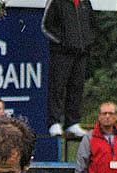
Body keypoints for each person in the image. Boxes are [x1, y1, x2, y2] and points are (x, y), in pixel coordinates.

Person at [41, 0, 91, 137]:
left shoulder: (85, 2)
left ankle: (72, 123)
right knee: (57, 87)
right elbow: (46, 26)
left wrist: (88, 42)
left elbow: (91, 23)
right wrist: (63, 43)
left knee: (77, 87)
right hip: (61, 53)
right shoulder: (57, 1)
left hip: (81, 52)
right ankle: (54, 122)